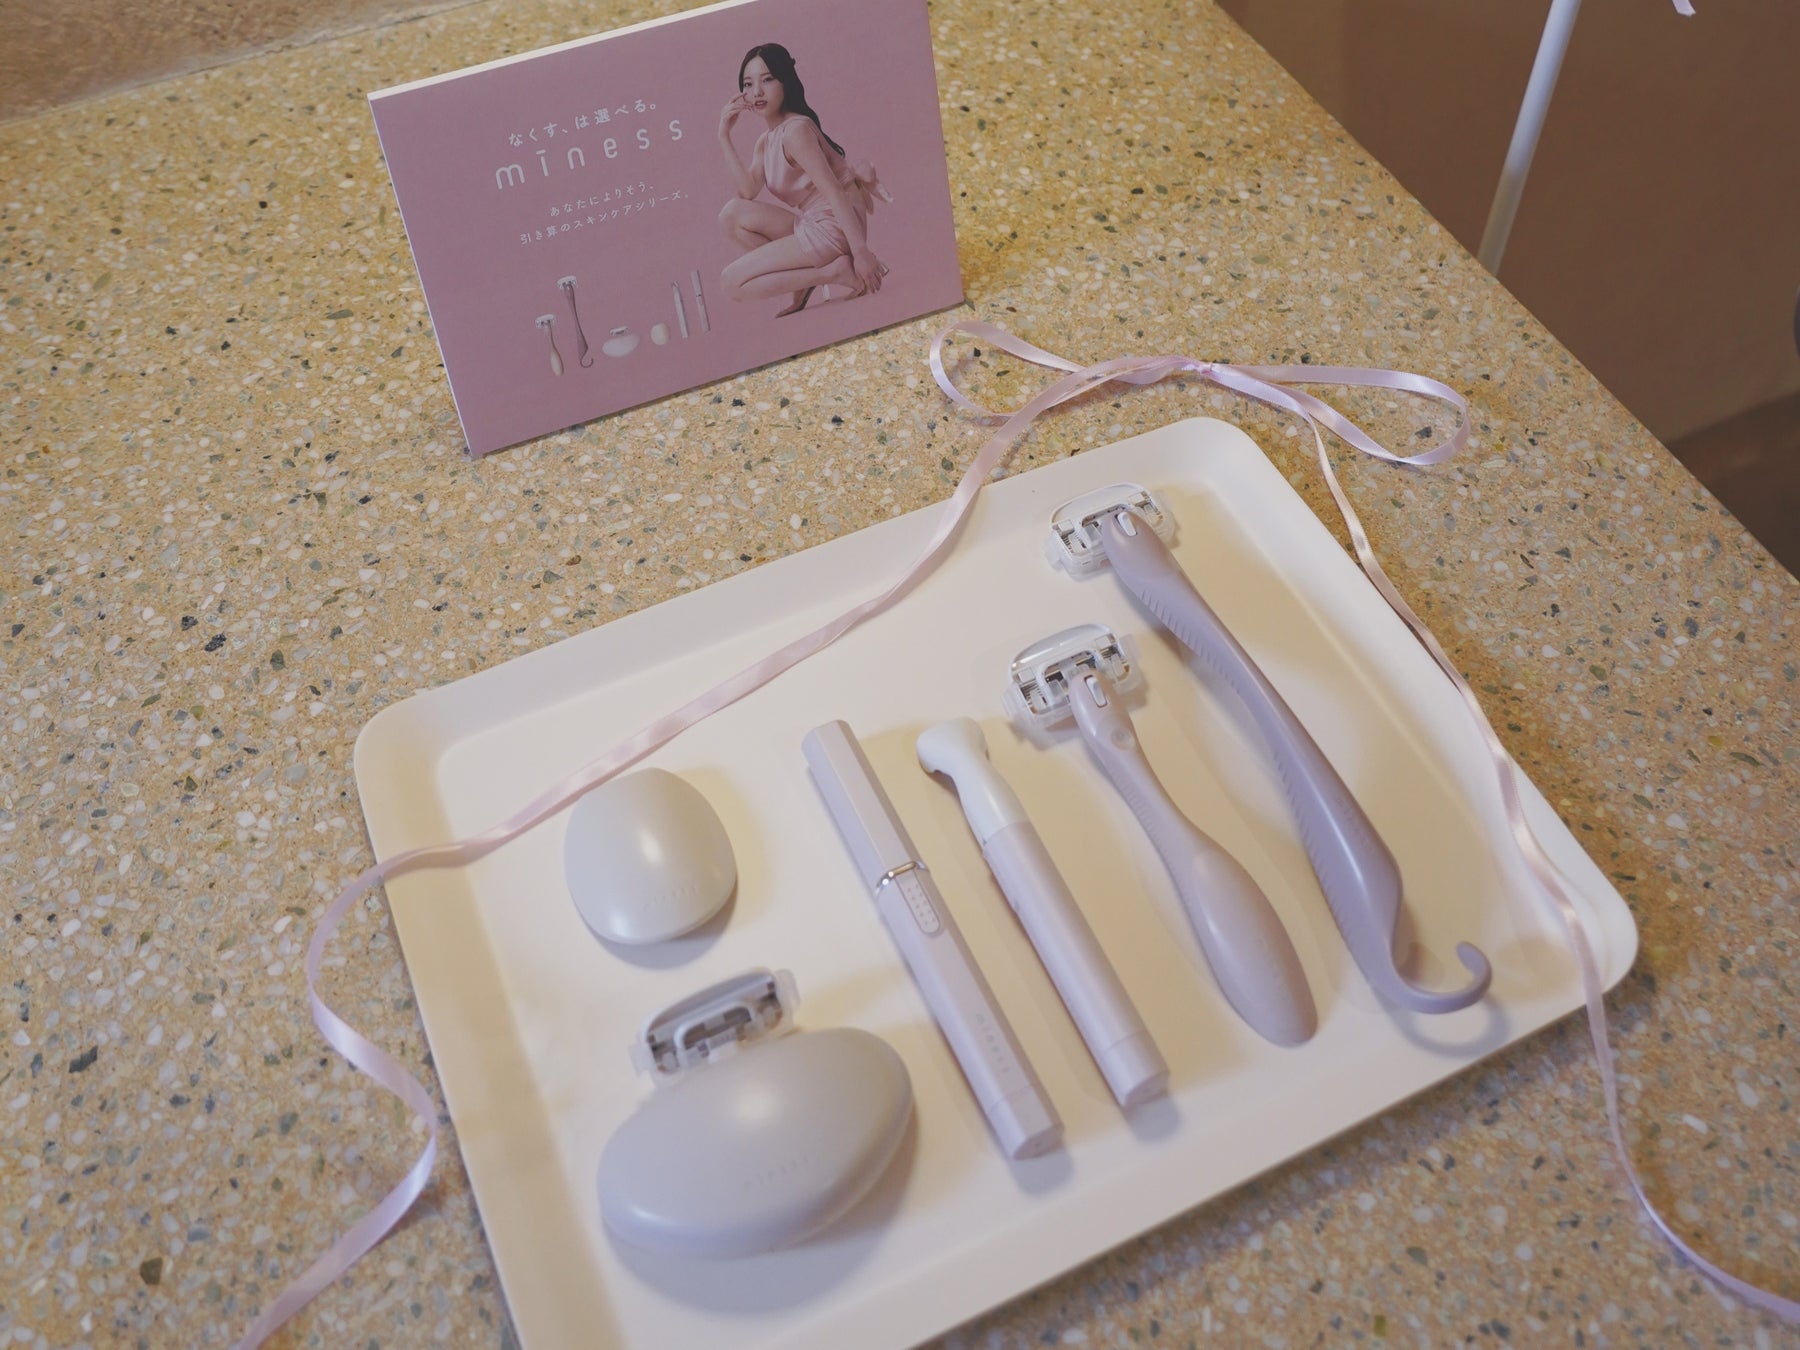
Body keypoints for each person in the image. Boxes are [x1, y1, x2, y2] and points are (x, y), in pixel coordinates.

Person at [717, 43, 889, 316]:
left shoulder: (795, 131)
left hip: (835, 226)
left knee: (731, 283)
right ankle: (808, 276)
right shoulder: (767, 140)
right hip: (811, 222)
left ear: (785, 81)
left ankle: (833, 272)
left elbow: (835, 192)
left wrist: (861, 253)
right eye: (748, 84)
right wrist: (724, 136)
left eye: (768, 79)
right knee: (731, 215)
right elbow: (746, 192)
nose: (757, 91)